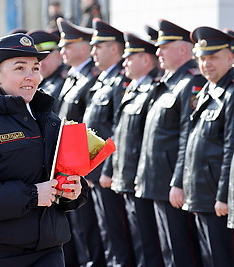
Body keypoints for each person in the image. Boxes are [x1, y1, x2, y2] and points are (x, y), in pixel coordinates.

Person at [0, 33, 88, 266]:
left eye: (35, 68)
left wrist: (73, 191)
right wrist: (31, 195)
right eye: (20, 68)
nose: (31, 77)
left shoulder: (47, 118)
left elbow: (54, 178)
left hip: (47, 250)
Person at [134, 19, 206, 267]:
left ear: (184, 49)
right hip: (156, 182)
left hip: (172, 185)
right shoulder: (167, 83)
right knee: (165, 252)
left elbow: (188, 137)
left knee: (180, 251)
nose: (157, 52)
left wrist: (178, 181)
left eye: (164, 47)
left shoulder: (190, 84)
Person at [101, 32, 163, 267]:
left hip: (141, 177)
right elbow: (119, 133)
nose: (124, 62)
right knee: (137, 240)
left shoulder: (151, 91)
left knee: (149, 243)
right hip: (127, 176)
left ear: (146, 61)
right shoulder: (133, 89)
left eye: (130, 57)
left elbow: (145, 141)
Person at [178, 26, 234, 267]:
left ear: (231, 57)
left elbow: (230, 150)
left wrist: (223, 198)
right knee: (208, 258)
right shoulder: (207, 92)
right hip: (201, 196)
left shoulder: (231, 94)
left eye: (213, 57)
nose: (206, 64)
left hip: (217, 200)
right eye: (202, 58)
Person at [83, 18, 134, 267]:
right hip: (93, 168)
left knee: (116, 228)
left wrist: (108, 169)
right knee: (104, 227)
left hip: (107, 170)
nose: (92, 52)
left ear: (114, 49)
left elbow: (116, 130)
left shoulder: (120, 83)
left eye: (98, 46)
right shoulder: (102, 80)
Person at [56, 17, 104, 267]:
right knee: (74, 224)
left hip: (82, 166)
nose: (62, 50)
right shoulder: (73, 78)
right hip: (68, 165)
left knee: (89, 225)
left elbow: (90, 130)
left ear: (84, 47)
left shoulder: (91, 79)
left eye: (68, 45)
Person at [27, 29, 67, 112]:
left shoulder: (65, 81)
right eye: (37, 61)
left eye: (45, 58)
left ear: (58, 56)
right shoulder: (43, 81)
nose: (40, 64)